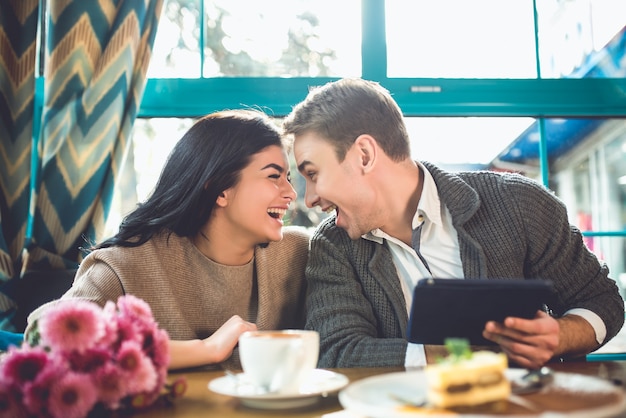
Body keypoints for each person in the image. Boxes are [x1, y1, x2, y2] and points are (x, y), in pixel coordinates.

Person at [282, 78, 625, 370]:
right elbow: (337, 351)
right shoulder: (332, 244)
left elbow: (602, 301)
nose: (309, 198)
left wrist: (559, 335)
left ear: (364, 155)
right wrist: (467, 354)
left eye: (312, 174)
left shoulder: (519, 202)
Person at [26, 110, 309, 370]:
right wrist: (206, 349)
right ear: (220, 190)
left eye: (288, 177)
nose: (290, 193)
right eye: (274, 176)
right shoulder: (128, 264)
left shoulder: (298, 253)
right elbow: (44, 337)